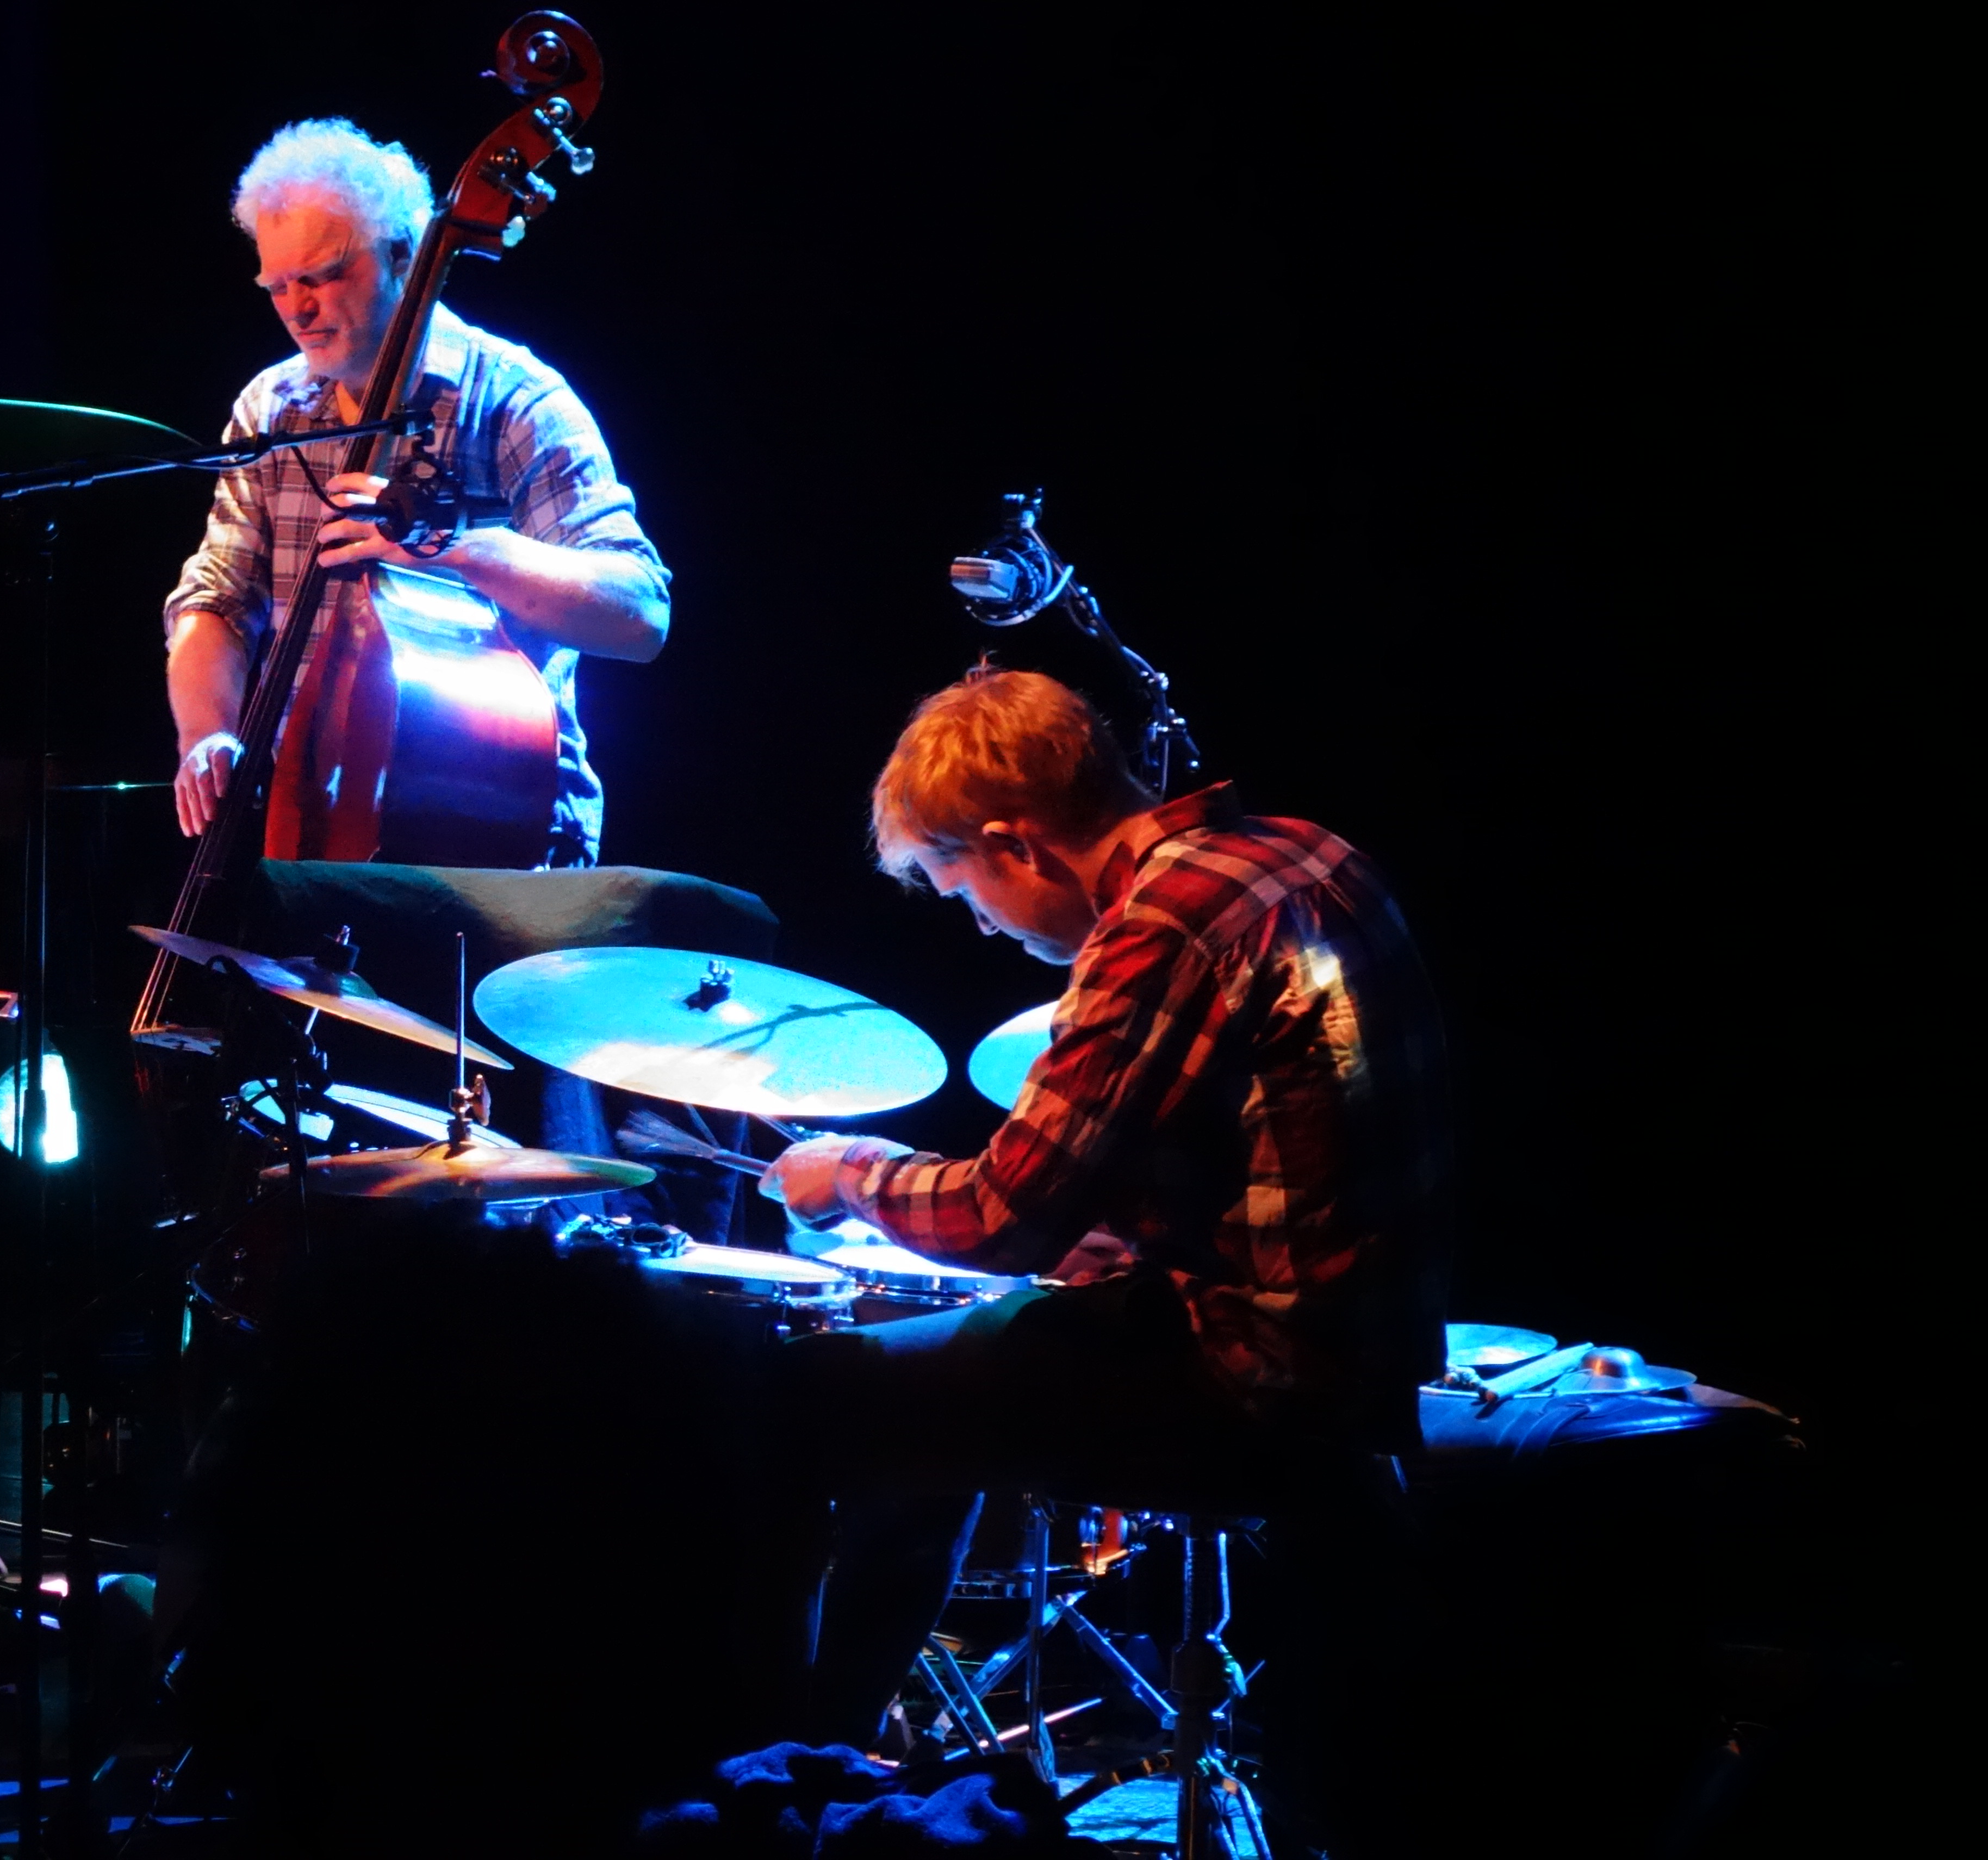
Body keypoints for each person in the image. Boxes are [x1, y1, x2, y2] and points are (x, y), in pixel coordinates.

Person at [761, 665, 1451, 1778]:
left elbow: (999, 1218)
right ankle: (839, 1752)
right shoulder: (1305, 855)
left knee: (789, 1402)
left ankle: (774, 1778)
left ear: (1017, 844)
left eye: (965, 889)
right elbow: (1288, 1148)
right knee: (929, 1392)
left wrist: (852, 1170)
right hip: (1364, 1361)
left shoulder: (1160, 927)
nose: (983, 927)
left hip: (1250, 1388)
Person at [162, 117, 668, 869]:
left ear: (404, 253)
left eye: (324, 276)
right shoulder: (271, 412)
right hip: (311, 828)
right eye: (278, 285)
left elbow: (640, 615)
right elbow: (216, 602)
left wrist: (458, 548)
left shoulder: (516, 402)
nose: (297, 308)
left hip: (497, 834)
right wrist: (208, 736)